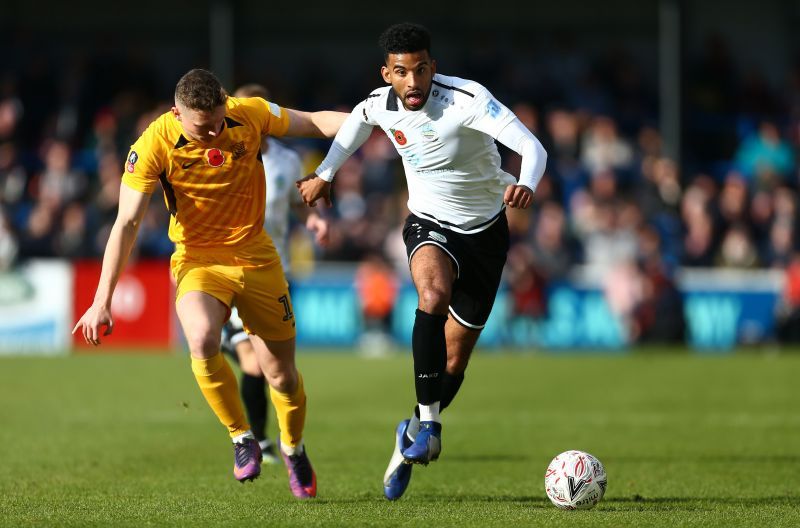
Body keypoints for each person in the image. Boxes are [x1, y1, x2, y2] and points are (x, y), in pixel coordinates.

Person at [297, 23, 547, 500]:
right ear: (387, 73)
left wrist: (527, 183)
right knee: (432, 294)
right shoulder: (378, 103)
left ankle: (410, 433)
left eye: (420, 70)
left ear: (433, 67)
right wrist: (325, 173)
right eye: (401, 72)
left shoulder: (467, 99)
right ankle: (430, 426)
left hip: (487, 234)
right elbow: (354, 127)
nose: (412, 82)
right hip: (428, 222)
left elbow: (532, 148)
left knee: (454, 360)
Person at [73, 68, 346, 499]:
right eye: (203, 126)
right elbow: (126, 222)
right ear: (176, 113)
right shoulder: (151, 144)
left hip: (257, 257)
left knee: (282, 377)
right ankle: (242, 439)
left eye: (219, 120)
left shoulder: (248, 113)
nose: (215, 131)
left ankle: (293, 448)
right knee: (201, 339)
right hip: (198, 260)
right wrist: (101, 299)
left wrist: (373, 119)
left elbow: (313, 121)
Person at [220, 83, 330, 465]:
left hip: (275, 270)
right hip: (232, 268)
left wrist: (313, 218)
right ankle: (258, 442)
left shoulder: (286, 160)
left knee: (276, 370)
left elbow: (296, 204)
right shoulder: (219, 152)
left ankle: (274, 440)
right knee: (253, 363)